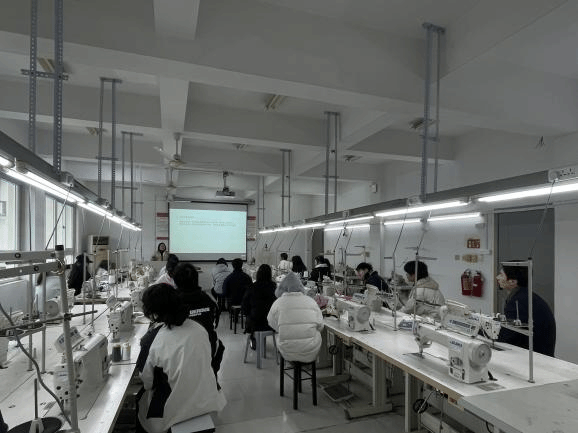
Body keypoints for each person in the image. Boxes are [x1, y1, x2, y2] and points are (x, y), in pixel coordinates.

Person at [136, 283, 226, 433]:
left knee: (140, 402)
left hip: (177, 411)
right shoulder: (198, 327)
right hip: (207, 399)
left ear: (152, 313)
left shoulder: (152, 339)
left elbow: (147, 381)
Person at [173, 263, 224, 378]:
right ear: (196, 279)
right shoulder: (209, 299)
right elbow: (215, 322)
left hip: (182, 353)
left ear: (175, 281)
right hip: (208, 348)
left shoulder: (172, 301)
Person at [496, 263, 556, 356]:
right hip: (541, 354)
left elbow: (506, 335)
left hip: (536, 358)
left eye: (501, 275)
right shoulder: (527, 297)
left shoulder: (518, 302)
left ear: (512, 281)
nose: (497, 277)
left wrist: (481, 330)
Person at [267, 272, 324, 363]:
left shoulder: (278, 303)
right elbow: (320, 326)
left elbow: (271, 322)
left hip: (287, 350)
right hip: (310, 350)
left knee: (281, 335)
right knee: (316, 333)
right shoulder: (311, 301)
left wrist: (284, 329)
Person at [242, 264, 277, 350]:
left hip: (255, 323)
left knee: (251, 315)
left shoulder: (252, 287)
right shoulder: (274, 287)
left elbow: (245, 306)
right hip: (271, 323)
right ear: (270, 274)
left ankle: (253, 338)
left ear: (258, 274)